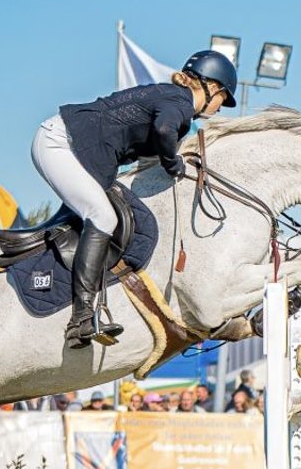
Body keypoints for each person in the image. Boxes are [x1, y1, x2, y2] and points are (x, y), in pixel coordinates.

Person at [33, 50, 237, 350]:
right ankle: (81, 319)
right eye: (224, 99)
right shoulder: (179, 101)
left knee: (104, 214)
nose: (222, 107)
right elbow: (164, 129)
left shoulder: (171, 99)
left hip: (67, 144)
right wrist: (172, 163)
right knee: (103, 217)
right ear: (211, 87)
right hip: (59, 143)